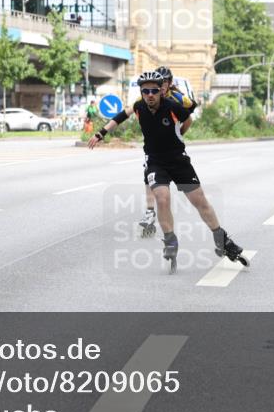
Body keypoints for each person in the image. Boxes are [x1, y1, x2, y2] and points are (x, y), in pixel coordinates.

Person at [88, 70, 247, 269]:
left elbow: (188, 119)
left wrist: (179, 134)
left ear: (161, 91)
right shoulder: (139, 106)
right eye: (146, 91)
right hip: (156, 162)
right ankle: (170, 239)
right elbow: (120, 117)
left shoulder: (172, 106)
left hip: (178, 160)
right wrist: (100, 133)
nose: (150, 95)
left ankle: (222, 240)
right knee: (162, 198)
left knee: (200, 202)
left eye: (154, 90)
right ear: (142, 92)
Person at [137, 66, 197, 237]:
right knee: (149, 172)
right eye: (159, 83)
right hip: (155, 143)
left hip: (173, 141)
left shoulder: (176, 97)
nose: (161, 87)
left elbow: (191, 106)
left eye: (165, 83)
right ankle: (150, 211)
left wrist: (179, 126)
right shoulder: (150, 94)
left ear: (169, 84)